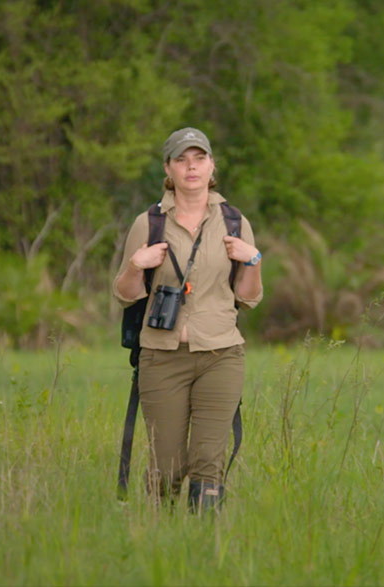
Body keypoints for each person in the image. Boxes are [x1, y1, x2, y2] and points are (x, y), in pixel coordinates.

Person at [113, 127, 263, 512]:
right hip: (162, 355)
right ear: (168, 169)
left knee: (208, 463)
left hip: (221, 354)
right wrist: (135, 265)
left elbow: (249, 298)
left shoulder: (233, 221)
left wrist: (253, 259)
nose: (191, 167)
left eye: (199, 159)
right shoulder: (148, 223)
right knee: (167, 468)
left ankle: (203, 546)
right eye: (182, 160)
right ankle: (157, 538)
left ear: (212, 167)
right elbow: (125, 293)